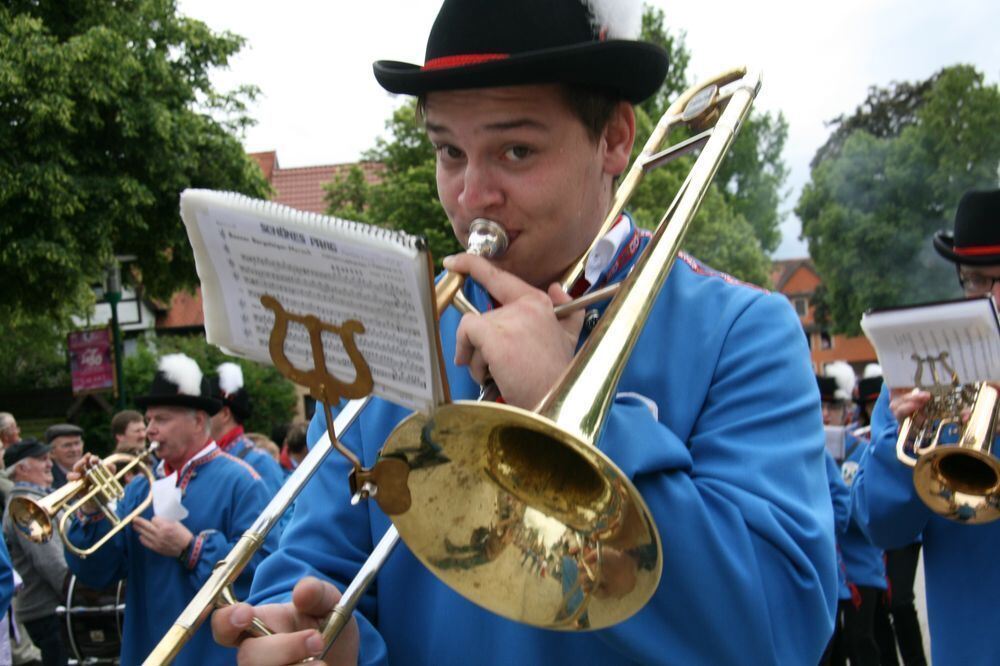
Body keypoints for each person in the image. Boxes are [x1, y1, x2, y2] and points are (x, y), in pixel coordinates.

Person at [213, 1, 837, 663]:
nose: (471, 195)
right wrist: (316, 637)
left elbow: (779, 625)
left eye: (516, 150)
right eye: (450, 151)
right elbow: (313, 563)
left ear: (616, 139)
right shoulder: (395, 335)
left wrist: (570, 409)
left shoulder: (743, 330)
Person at [851, 188, 1000, 665]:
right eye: (978, 282)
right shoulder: (924, 377)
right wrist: (900, 438)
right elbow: (880, 526)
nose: (994, 301)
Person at [63, 353, 278, 664]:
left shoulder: (243, 482)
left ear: (198, 421)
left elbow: (264, 572)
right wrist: (92, 510)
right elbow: (97, 573)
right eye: (149, 419)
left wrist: (192, 549)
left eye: (161, 419)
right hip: (146, 649)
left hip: (212, 655)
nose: (150, 429)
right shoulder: (139, 487)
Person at [820, 365, 886, 666]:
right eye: (819, 407)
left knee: (864, 642)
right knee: (831, 648)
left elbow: (858, 509)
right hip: (831, 571)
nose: (824, 415)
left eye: (830, 407)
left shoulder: (862, 448)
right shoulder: (812, 450)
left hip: (862, 566)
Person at [2, 439, 70, 666]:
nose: (49, 464)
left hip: (49, 610)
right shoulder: (24, 506)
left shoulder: (38, 498)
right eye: (42, 460)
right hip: (46, 612)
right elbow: (52, 564)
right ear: (21, 468)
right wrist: (82, 595)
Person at [209, 362, 286, 497]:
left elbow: (279, 516)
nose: (200, 417)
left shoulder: (260, 461)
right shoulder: (206, 457)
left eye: (207, 410)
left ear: (225, 414)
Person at [43, 424, 84, 490]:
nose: (74, 449)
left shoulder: (91, 468)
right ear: (52, 453)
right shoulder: (48, 480)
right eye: (67, 445)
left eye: (77, 443)